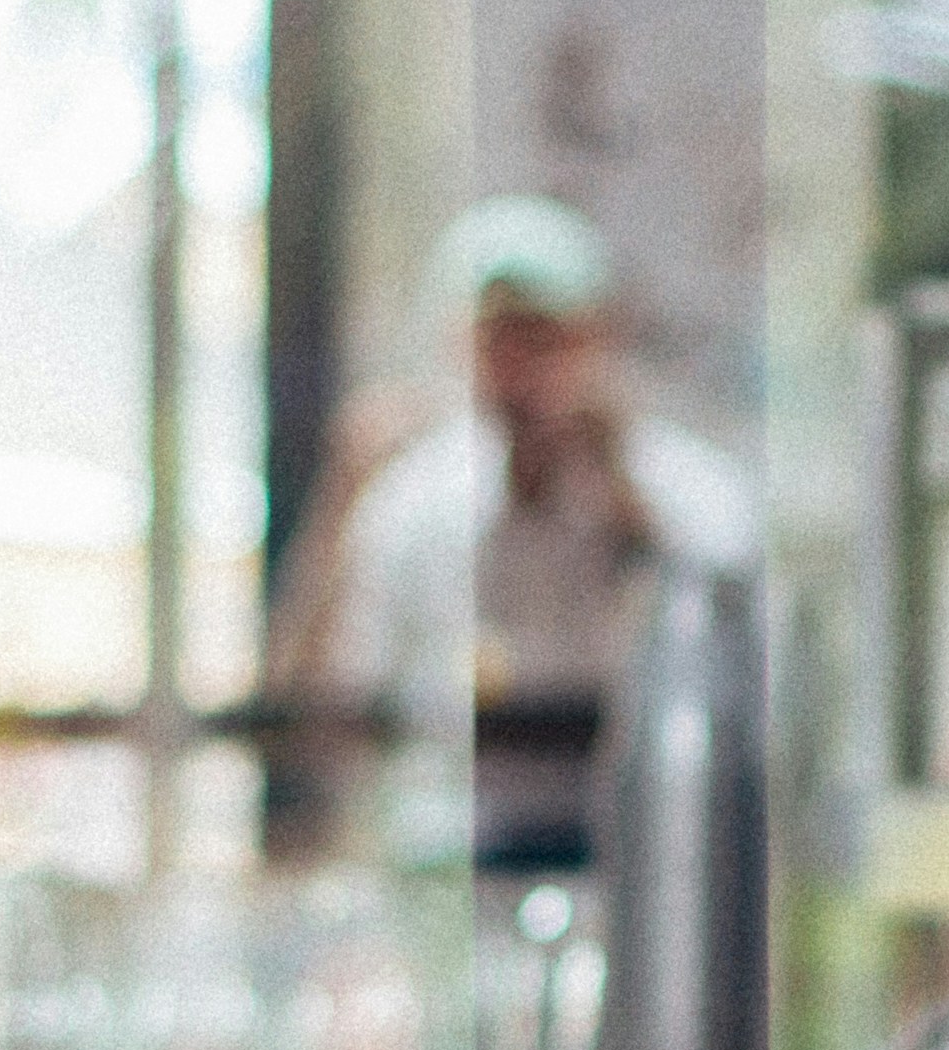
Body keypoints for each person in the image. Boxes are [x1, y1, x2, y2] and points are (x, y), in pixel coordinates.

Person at [303, 195, 759, 728]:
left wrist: (625, 508)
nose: (523, 371)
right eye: (500, 341)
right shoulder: (416, 500)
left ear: (600, 338)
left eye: (546, 339)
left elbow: (731, 671)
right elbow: (348, 691)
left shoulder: (692, 492)